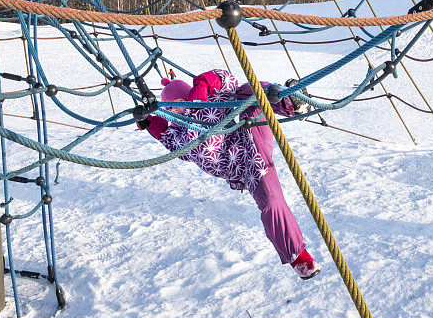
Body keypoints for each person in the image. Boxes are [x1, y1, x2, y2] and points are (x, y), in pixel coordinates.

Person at [137, 69, 321, 279]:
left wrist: (201, 87)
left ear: (187, 95)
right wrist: (148, 120)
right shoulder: (179, 134)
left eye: (177, 102)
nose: (174, 110)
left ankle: (289, 102)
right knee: (270, 201)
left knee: (247, 91)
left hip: (250, 137)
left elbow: (226, 79)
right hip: (245, 169)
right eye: (169, 107)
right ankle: (299, 258)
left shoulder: (213, 99)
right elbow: (165, 136)